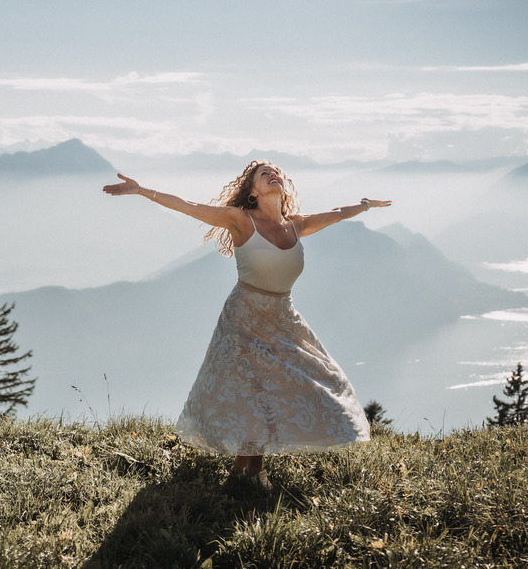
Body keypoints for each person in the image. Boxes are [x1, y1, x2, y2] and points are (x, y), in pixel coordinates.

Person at [103, 161, 391, 490]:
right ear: (253, 191)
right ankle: (251, 476)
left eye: (275, 172)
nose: (273, 175)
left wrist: (365, 205)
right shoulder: (241, 221)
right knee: (253, 394)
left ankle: (244, 473)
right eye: (263, 174)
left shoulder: (296, 225)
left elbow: (337, 213)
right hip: (243, 319)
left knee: (322, 381)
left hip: (283, 319)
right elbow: (189, 206)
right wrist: (142, 190)